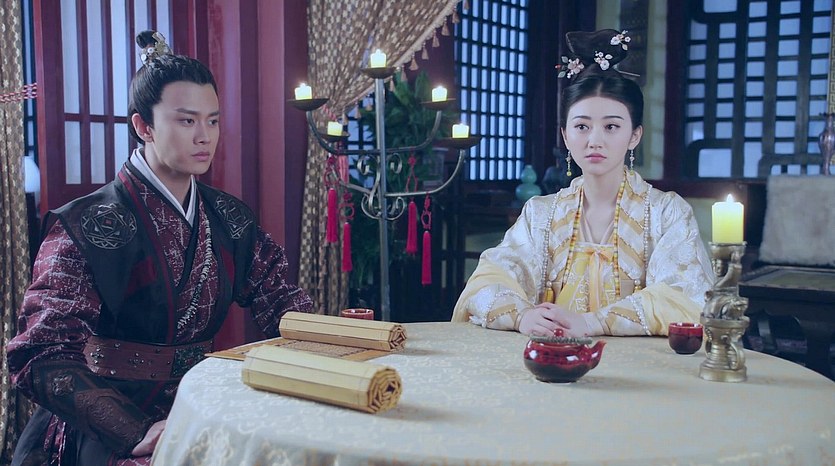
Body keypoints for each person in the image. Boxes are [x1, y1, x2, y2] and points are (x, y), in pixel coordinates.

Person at [7, 31, 313, 466]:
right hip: (114, 414)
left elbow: (280, 299)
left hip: (202, 399)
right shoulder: (85, 225)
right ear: (143, 127)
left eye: (213, 121)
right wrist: (131, 429)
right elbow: (42, 352)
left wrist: (330, 343)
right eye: (187, 121)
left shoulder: (228, 216)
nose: (205, 137)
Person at [452, 29, 714, 338]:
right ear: (565, 135)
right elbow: (489, 280)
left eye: (611, 126)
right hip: (553, 354)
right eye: (581, 126)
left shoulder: (665, 212)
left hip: (639, 362)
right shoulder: (541, 214)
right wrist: (522, 316)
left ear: (635, 136)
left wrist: (593, 322)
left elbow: (684, 296)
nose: (594, 140)